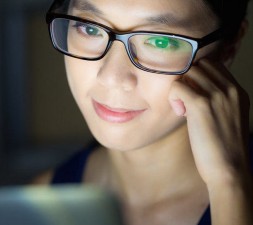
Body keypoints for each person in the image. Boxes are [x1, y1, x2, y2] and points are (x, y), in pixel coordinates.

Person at [34, 0, 253, 224]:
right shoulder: (39, 207)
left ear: (229, 47)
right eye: (89, 28)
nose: (112, 77)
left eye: (160, 41)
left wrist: (229, 186)